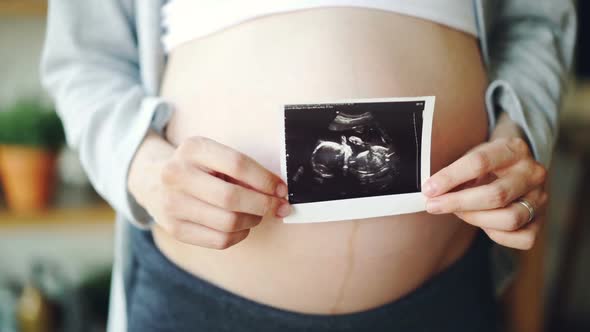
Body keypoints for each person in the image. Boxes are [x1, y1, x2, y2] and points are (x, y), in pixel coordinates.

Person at [41, 1, 576, 331]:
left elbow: (536, 20)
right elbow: (84, 59)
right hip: (201, 303)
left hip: (441, 295)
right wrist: (142, 165)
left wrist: (519, 130)